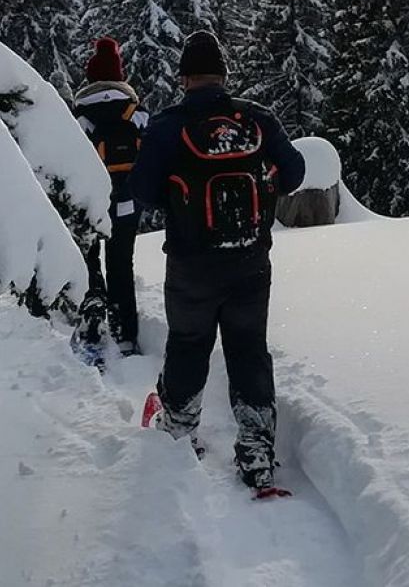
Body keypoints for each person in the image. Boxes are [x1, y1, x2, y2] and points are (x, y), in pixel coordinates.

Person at [129, 31, 305, 490]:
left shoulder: (169, 126)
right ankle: (256, 451)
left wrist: (178, 197)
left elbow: (142, 191)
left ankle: (179, 433)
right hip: (251, 259)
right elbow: (296, 172)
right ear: (224, 75)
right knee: (248, 350)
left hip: (190, 263)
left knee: (189, 343)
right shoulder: (256, 119)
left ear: (185, 77)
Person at [74, 37, 149, 357]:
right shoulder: (135, 112)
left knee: (88, 261)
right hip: (127, 200)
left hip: (87, 202)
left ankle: (92, 319)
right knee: (121, 263)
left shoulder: (78, 116)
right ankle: (125, 334)